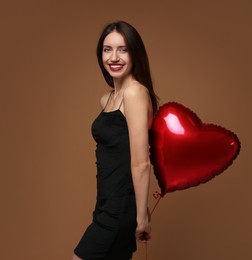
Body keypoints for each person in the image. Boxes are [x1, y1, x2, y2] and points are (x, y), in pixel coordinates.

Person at [72, 21, 159, 260]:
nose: (114, 57)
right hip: (105, 204)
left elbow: (141, 162)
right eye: (107, 49)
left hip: (119, 207)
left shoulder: (135, 93)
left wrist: (142, 216)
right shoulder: (108, 99)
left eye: (123, 49)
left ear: (134, 53)